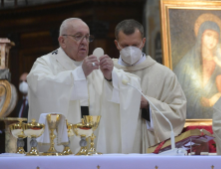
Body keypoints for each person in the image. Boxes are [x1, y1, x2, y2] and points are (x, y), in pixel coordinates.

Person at [27, 18, 142, 154]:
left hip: (95, 150)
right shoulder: (45, 63)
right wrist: (79, 75)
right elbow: (40, 86)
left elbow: (132, 84)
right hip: (60, 153)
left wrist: (111, 77)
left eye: (87, 37)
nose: (84, 42)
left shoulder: (95, 65)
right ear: (62, 41)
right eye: (78, 36)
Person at [112, 19, 187, 153]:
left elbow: (178, 112)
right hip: (114, 144)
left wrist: (148, 104)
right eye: (125, 45)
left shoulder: (164, 74)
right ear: (117, 44)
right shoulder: (107, 73)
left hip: (149, 146)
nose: (130, 50)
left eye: (135, 45)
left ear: (143, 42)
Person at [174, 19, 221, 119]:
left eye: (215, 37)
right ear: (201, 35)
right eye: (208, 35)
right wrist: (200, 100)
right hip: (192, 117)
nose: (212, 40)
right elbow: (178, 91)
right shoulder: (187, 62)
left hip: (217, 117)